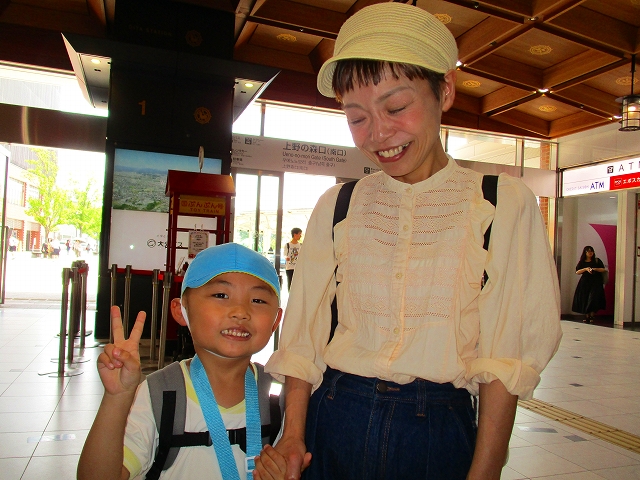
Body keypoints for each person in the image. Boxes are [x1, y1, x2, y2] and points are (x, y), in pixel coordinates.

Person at [263, 3, 563, 480]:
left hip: (437, 432)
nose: (378, 134)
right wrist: (294, 436)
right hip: (335, 419)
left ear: (445, 90)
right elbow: (305, 336)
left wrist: (484, 473)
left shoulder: (500, 203)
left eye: (396, 107)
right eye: (356, 117)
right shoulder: (339, 205)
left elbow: (505, 359)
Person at [78, 243, 287, 480]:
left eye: (258, 300)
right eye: (221, 295)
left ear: (276, 319)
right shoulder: (158, 394)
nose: (240, 312)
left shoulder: (281, 397)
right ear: (181, 310)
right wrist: (117, 398)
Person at [572, 245, 607, 323]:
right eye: (588, 251)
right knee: (585, 298)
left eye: (591, 251)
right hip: (585, 283)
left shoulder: (597, 260)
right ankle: (587, 316)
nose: (590, 253)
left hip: (596, 282)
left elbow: (603, 269)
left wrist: (595, 269)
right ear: (585, 253)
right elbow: (577, 272)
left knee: (594, 298)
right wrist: (586, 269)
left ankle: (592, 315)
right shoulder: (582, 262)